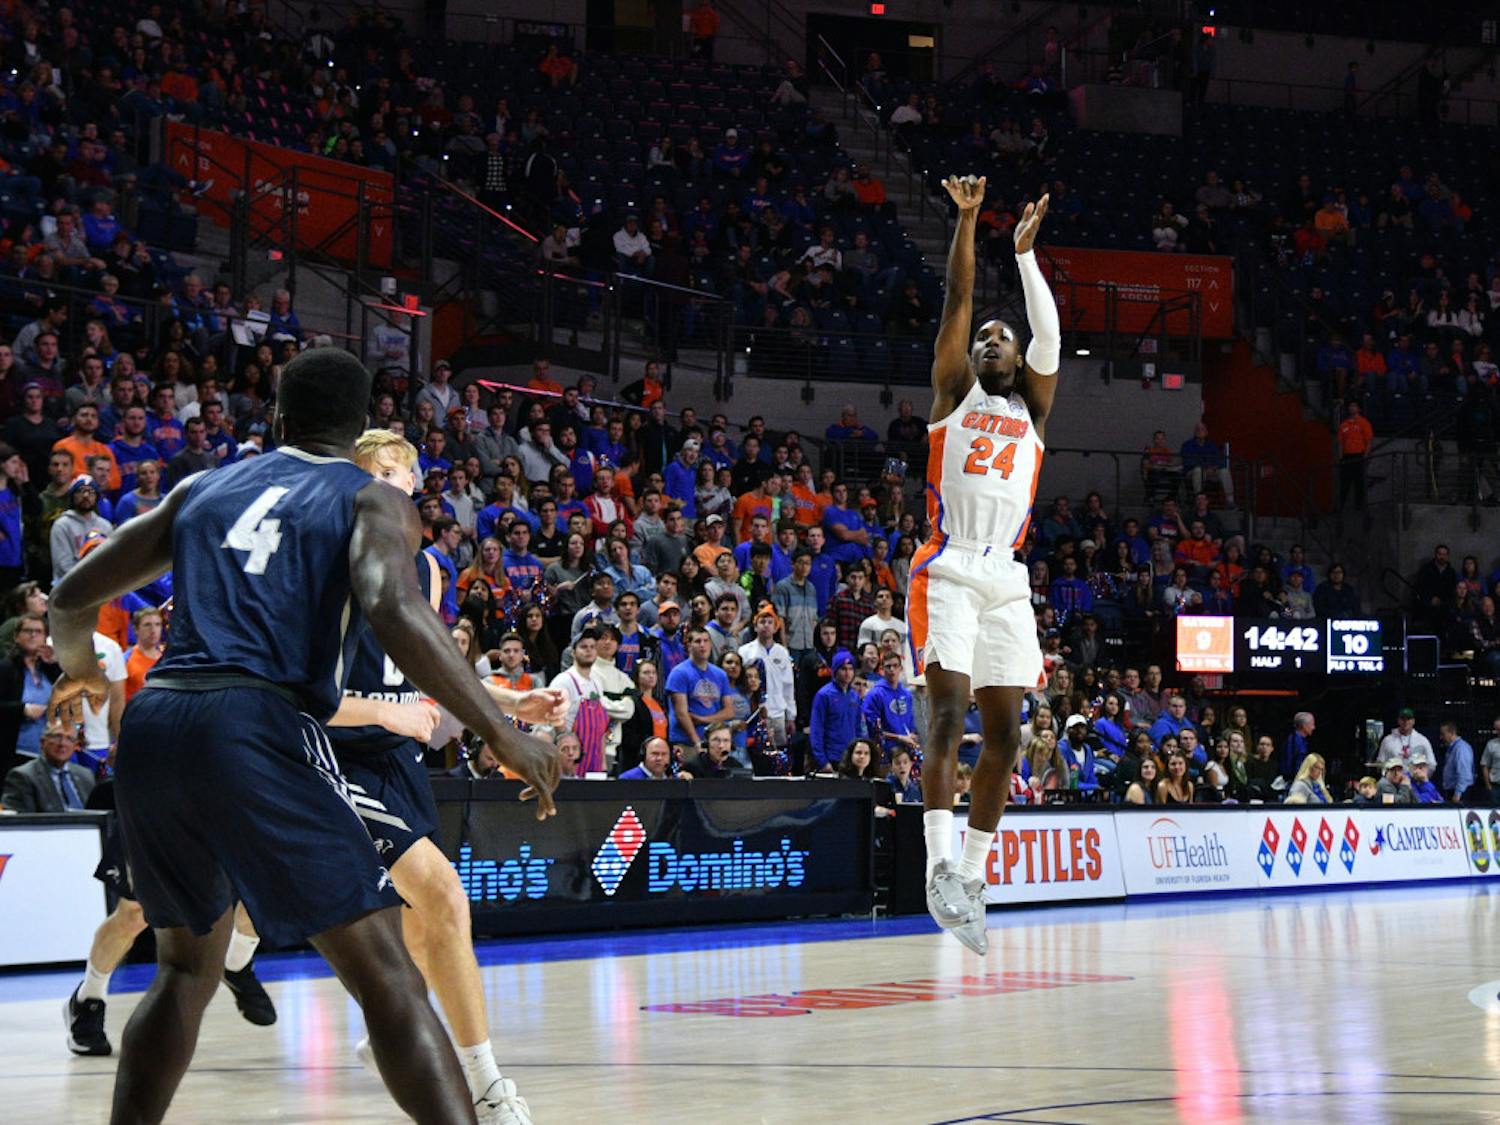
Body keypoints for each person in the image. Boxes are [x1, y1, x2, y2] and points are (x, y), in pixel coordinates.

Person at [46, 347, 560, 1124]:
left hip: (158, 719)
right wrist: (501, 731)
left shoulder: (201, 488)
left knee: (185, 967)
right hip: (257, 720)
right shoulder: (372, 498)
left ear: (278, 418)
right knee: (385, 968)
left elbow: (71, 595)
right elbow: (394, 604)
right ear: (358, 431)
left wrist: (83, 669)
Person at [327, 428, 564, 1123]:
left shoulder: (428, 568)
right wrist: (378, 710)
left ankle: (392, 1031)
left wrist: (509, 704)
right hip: (336, 747)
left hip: (397, 755)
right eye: (380, 470)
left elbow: (427, 669)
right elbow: (299, 684)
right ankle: (487, 1090)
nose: (395, 480)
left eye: (403, 470)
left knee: (423, 924)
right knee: (444, 897)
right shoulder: (328, 560)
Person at [914, 179, 1059, 954]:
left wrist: (1027, 258)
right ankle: (937, 865)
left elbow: (1053, 340)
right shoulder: (953, 394)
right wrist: (969, 220)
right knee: (948, 713)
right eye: (984, 339)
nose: (991, 341)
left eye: (1003, 336)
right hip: (950, 565)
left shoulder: (1033, 412)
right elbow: (958, 298)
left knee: (1007, 729)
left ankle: (970, 875)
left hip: (1008, 575)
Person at [1377, 706, 1436, 772]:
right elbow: (1380, 763)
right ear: (1398, 721)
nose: (1406, 722)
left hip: (1415, 780)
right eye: (1403, 719)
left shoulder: (1422, 741)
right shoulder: (1387, 740)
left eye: (1408, 719)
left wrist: (1421, 778)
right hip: (1393, 780)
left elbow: (1432, 764)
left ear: (1413, 721)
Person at [1439, 721, 1475, 804]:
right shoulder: (1452, 748)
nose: (1441, 737)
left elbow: (1464, 772)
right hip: (1453, 790)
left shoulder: (1461, 749)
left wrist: (1458, 793)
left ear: (1451, 733)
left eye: (1443, 734)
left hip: (1459, 792)